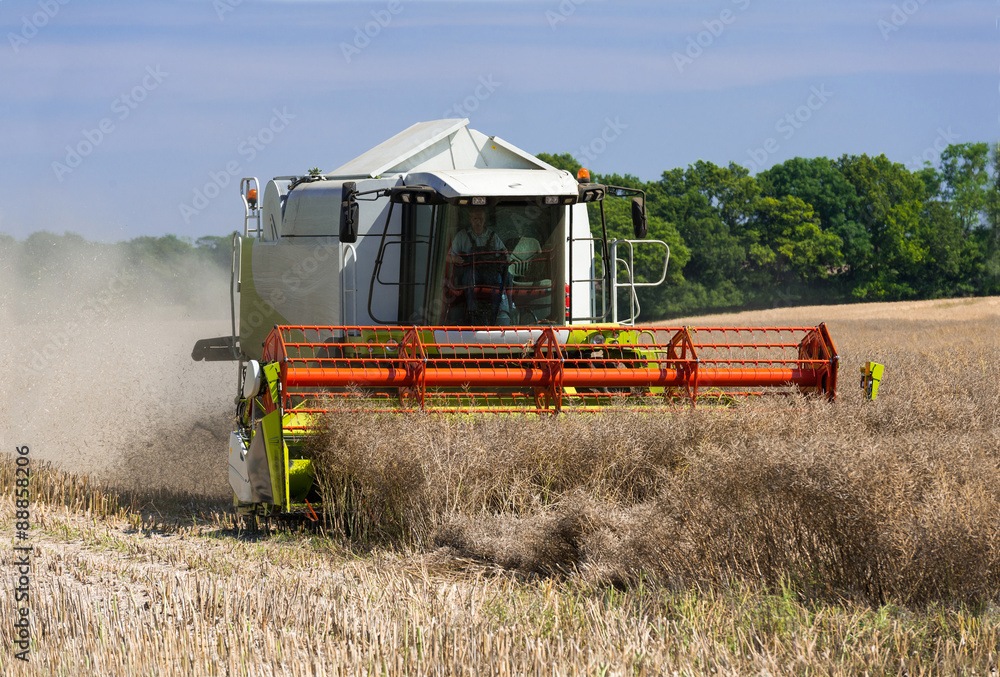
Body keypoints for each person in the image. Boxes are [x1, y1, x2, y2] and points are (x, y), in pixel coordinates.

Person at [447, 207, 513, 325]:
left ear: (485, 220)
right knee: (470, 280)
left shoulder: (493, 236)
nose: (478, 222)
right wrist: (455, 258)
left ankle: (496, 312)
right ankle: (472, 313)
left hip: (490, 274)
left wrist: (505, 258)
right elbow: (448, 256)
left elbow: (505, 254)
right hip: (471, 272)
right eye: (475, 219)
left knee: (499, 282)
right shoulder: (462, 236)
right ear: (470, 220)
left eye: (480, 219)